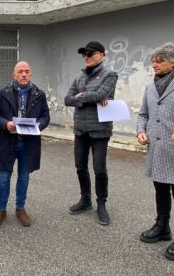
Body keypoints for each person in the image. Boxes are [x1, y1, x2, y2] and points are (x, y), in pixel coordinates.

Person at [136, 43, 174, 261]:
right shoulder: (151, 87)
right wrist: (140, 131)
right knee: (160, 190)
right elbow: (143, 114)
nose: (155, 64)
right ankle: (162, 226)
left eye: (159, 61)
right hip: (156, 149)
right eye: (153, 61)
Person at [0, 61, 50, 227]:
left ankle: (20, 208)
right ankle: (1, 209)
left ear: (31, 74)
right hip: (8, 142)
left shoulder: (39, 94)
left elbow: (46, 116)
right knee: (4, 177)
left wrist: (39, 126)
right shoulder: (3, 93)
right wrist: (6, 124)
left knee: (24, 177)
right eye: (20, 71)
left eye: (27, 71)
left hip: (28, 144)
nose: (24, 74)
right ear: (14, 75)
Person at [64, 41, 119, 225]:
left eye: (90, 53)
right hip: (80, 129)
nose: (86, 57)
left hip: (100, 130)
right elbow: (67, 99)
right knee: (80, 166)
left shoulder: (110, 74)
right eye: (84, 54)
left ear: (102, 55)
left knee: (99, 169)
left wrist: (82, 96)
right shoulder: (79, 76)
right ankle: (85, 199)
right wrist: (90, 97)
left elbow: (99, 94)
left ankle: (101, 204)